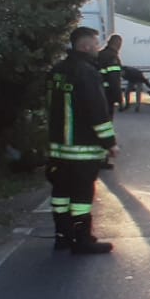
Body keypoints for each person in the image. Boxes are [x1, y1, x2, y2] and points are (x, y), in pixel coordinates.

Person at [47, 27, 119, 254]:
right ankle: (82, 239)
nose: (98, 48)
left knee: (60, 192)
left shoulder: (57, 70)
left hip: (58, 149)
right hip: (82, 148)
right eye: (96, 44)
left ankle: (62, 236)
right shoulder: (87, 72)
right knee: (81, 194)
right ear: (86, 46)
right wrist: (110, 143)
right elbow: (97, 111)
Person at [96, 34, 124, 119]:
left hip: (97, 93)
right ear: (118, 44)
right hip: (108, 95)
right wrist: (119, 99)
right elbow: (114, 80)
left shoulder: (99, 54)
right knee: (107, 119)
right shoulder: (112, 57)